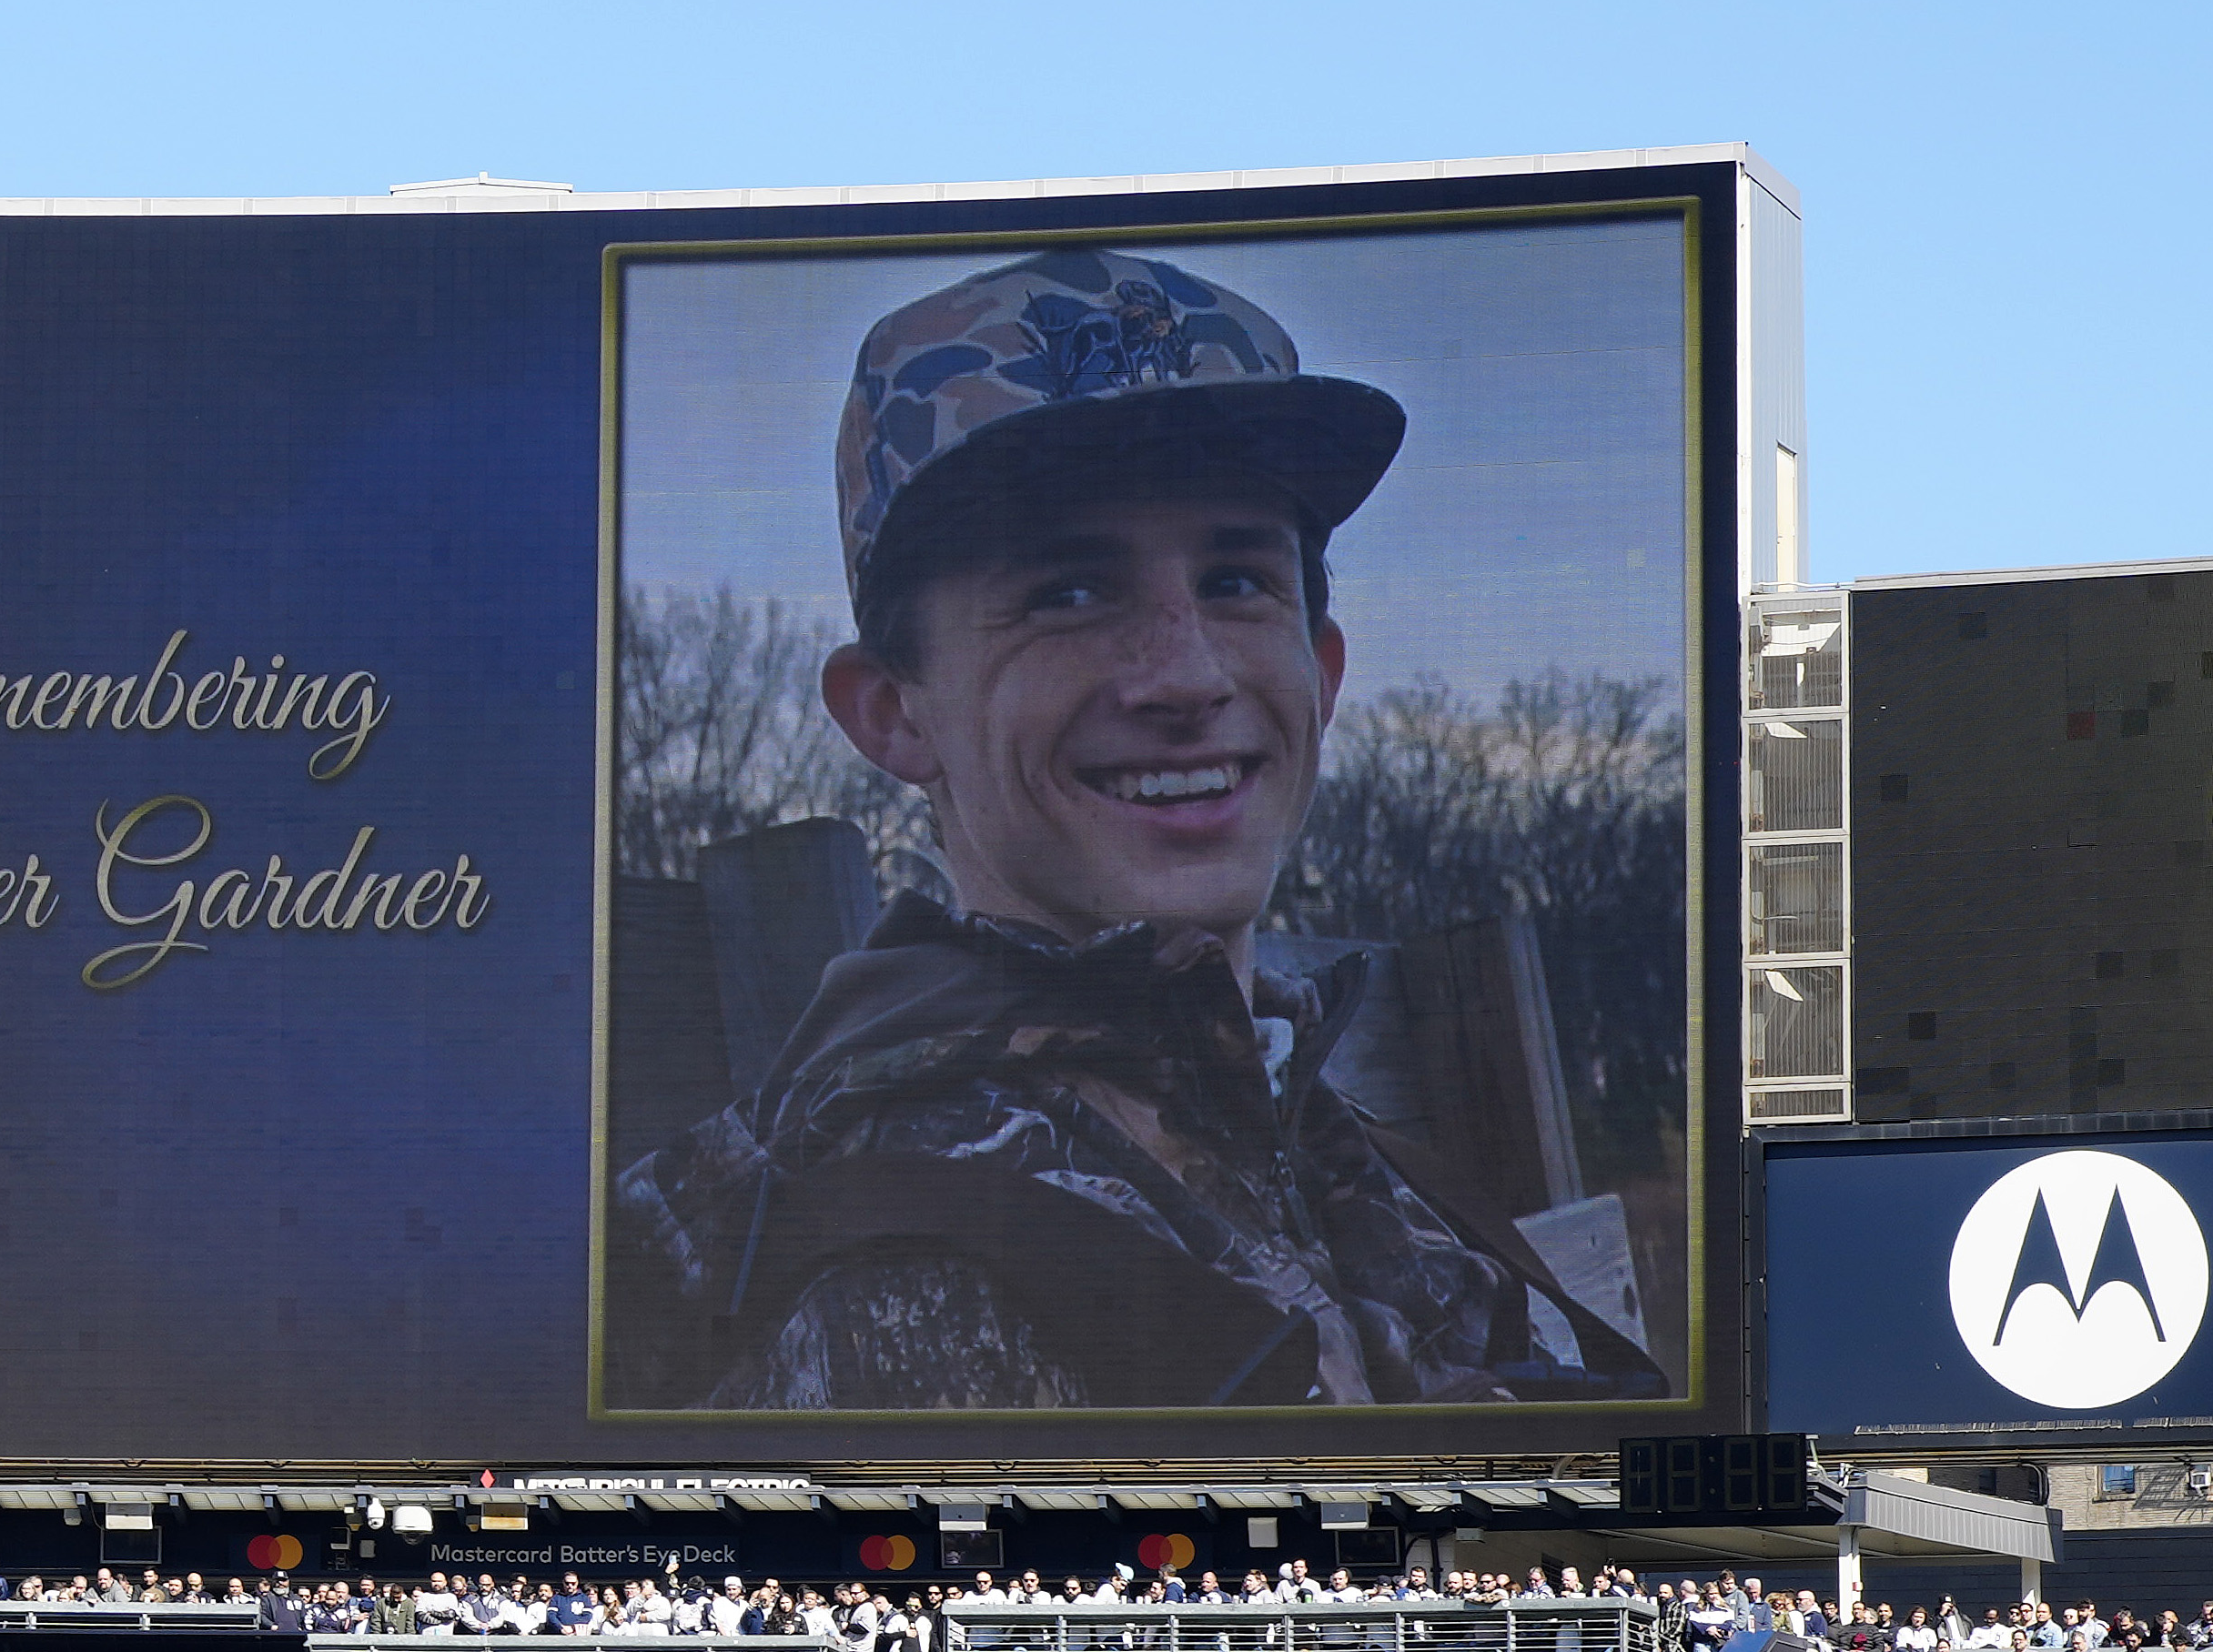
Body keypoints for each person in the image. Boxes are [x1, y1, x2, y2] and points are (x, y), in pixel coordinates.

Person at [609, 241, 1630, 1412]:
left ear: (1321, 670)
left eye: (1236, 581)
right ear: (892, 713)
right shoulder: (904, 1269)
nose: (1185, 675)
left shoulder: (1323, 1136)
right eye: (1069, 593)